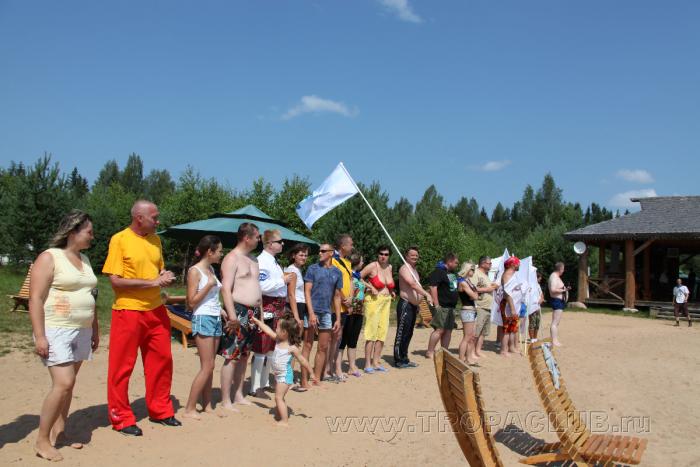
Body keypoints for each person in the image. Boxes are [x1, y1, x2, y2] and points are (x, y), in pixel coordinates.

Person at [103, 200, 179, 436]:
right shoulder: (120, 239)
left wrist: (165, 275)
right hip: (128, 310)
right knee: (121, 367)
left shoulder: (155, 240)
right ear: (139, 218)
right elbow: (115, 281)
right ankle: (121, 417)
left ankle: (160, 410)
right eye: (154, 217)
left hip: (156, 310)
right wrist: (153, 282)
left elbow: (158, 271)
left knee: (162, 361)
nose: (158, 221)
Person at [29, 210, 99, 461]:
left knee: (69, 384)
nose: (92, 236)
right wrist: (40, 336)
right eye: (89, 232)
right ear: (73, 232)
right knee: (64, 383)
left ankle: (60, 432)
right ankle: (42, 440)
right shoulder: (50, 257)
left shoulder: (85, 259)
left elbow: (91, 296)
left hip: (82, 330)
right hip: (56, 328)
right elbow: (35, 298)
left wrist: (95, 328)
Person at [218, 223, 262, 409]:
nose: (259, 240)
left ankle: (238, 394)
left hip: (253, 312)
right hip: (238, 310)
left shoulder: (254, 259)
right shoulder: (231, 258)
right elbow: (225, 289)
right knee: (232, 355)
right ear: (247, 238)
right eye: (257, 236)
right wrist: (232, 315)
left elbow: (256, 286)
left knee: (245, 355)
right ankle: (225, 399)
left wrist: (260, 314)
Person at [183, 235, 224, 420]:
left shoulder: (211, 269)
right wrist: (208, 285)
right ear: (210, 251)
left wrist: (221, 310)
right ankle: (190, 408)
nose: (221, 254)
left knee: (211, 365)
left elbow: (212, 298)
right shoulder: (195, 271)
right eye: (220, 251)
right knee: (206, 366)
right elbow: (191, 302)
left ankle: (207, 405)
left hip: (215, 317)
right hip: (203, 318)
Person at [250, 313, 317, 426]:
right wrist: (258, 322)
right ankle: (280, 415)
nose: (275, 329)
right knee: (279, 397)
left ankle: (284, 421)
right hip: (278, 375)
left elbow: (303, 361)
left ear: (285, 332)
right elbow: (267, 330)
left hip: (285, 377)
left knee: (278, 397)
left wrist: (312, 373)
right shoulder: (277, 340)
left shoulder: (292, 348)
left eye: (277, 327)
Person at [250, 229, 291, 397]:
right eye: (279, 241)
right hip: (267, 305)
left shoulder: (273, 261)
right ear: (269, 244)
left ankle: (264, 382)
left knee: (272, 348)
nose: (282, 244)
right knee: (261, 347)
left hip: (278, 306)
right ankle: (255, 387)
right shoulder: (262, 261)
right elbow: (261, 286)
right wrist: (282, 280)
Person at [302, 243, 342, 388]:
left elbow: (337, 296)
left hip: (326, 313)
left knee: (323, 347)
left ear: (331, 253)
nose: (320, 253)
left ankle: (317, 379)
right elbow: (307, 291)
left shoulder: (337, 272)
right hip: (312, 311)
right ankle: (304, 380)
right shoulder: (312, 269)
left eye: (323, 251)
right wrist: (311, 313)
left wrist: (338, 318)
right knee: (307, 345)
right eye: (319, 251)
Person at [394, 246, 432, 368]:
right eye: (412, 255)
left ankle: (405, 358)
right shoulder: (404, 268)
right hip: (405, 304)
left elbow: (416, 287)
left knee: (409, 332)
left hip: (413, 306)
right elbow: (412, 284)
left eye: (416, 255)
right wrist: (426, 294)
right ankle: (398, 360)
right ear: (406, 256)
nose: (415, 257)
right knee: (402, 332)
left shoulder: (414, 270)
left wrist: (418, 303)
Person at [361, 245, 395, 373]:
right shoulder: (372, 266)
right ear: (377, 254)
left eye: (386, 254)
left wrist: (391, 291)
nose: (383, 256)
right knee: (371, 332)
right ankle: (367, 364)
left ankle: (376, 362)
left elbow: (387, 284)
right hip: (373, 301)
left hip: (386, 301)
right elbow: (357, 276)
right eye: (381, 254)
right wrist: (370, 287)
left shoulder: (389, 267)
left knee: (382, 332)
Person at [425, 253, 460, 359]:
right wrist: (436, 305)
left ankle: (445, 352)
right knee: (439, 330)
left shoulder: (452, 274)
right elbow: (433, 288)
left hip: (451, 307)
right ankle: (430, 352)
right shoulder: (438, 272)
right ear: (449, 262)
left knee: (448, 330)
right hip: (442, 306)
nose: (457, 265)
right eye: (456, 263)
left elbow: (454, 288)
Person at [329, 234, 354, 381]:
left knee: (338, 338)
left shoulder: (347, 262)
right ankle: (329, 368)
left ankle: (335, 367)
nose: (352, 247)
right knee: (333, 338)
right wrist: (345, 299)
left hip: (346, 305)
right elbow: (334, 284)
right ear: (343, 246)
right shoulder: (333, 261)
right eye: (350, 244)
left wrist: (350, 299)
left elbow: (350, 281)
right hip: (336, 305)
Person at [339, 253, 366, 377]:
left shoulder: (358, 276)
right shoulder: (349, 275)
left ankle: (352, 366)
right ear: (357, 262)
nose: (363, 263)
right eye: (362, 261)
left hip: (359, 311)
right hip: (349, 310)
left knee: (353, 340)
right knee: (343, 340)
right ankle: (337, 367)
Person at [471, 256, 499, 358]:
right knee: (476, 331)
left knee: (483, 332)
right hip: (479, 306)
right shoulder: (476, 273)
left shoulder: (485, 275)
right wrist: (488, 289)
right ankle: (471, 351)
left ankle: (478, 350)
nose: (491, 265)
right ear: (483, 263)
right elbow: (472, 288)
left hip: (488, 307)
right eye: (489, 263)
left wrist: (494, 286)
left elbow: (486, 287)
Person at [496, 256, 523, 357]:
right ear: (512, 264)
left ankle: (511, 347)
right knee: (506, 328)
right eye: (517, 263)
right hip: (508, 305)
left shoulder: (513, 274)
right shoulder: (507, 275)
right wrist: (512, 308)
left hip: (514, 305)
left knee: (513, 328)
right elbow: (507, 293)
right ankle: (503, 350)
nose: (519, 264)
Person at [456, 261, 479, 365]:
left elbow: (474, 295)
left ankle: (468, 359)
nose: (473, 271)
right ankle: (461, 359)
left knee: (471, 337)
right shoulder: (463, 282)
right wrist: (475, 293)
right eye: (472, 269)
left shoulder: (467, 281)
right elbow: (474, 296)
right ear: (467, 270)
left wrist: (474, 293)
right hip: (467, 310)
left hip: (471, 310)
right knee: (467, 337)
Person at [283, 243, 308, 333]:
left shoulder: (298, 270)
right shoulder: (292, 270)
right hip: (295, 306)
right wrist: (296, 316)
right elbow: (291, 294)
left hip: (299, 305)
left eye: (306, 255)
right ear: (294, 256)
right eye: (301, 255)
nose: (304, 258)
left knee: (297, 337)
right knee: (295, 336)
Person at [548, 262, 569, 346]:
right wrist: (564, 290)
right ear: (560, 269)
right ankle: (554, 341)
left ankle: (555, 340)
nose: (563, 270)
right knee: (555, 322)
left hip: (559, 301)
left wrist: (565, 289)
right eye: (563, 269)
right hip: (556, 301)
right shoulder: (553, 276)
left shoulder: (556, 277)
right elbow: (553, 289)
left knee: (556, 322)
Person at [528, 272, 546, 342]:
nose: (540, 279)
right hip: (532, 307)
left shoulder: (538, 285)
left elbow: (541, 294)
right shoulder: (530, 285)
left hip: (538, 307)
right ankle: (532, 338)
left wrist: (541, 299)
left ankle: (535, 338)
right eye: (539, 278)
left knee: (537, 322)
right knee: (532, 323)